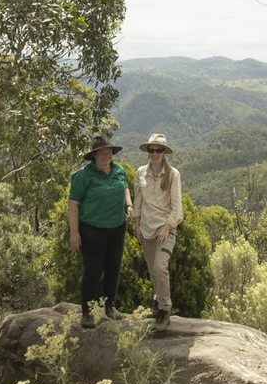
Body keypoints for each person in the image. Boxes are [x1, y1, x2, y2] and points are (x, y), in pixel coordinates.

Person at [68, 135, 134, 329]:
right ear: (94, 155)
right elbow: (73, 204)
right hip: (91, 230)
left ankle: (110, 306)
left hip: (117, 228)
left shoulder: (119, 171)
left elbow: (125, 188)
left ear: (112, 154)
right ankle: (87, 312)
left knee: (113, 268)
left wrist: (129, 205)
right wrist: (74, 232)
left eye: (108, 152)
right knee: (92, 271)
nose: (106, 155)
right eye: (101, 152)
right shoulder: (83, 176)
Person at [134, 133, 183, 332]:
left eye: (159, 150)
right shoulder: (140, 173)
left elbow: (177, 208)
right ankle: (157, 301)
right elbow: (138, 201)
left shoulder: (173, 175)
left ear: (164, 152)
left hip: (165, 229)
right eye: (152, 150)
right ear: (148, 151)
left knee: (160, 266)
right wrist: (136, 225)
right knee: (153, 270)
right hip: (146, 228)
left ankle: (165, 310)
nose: (155, 153)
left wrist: (167, 226)